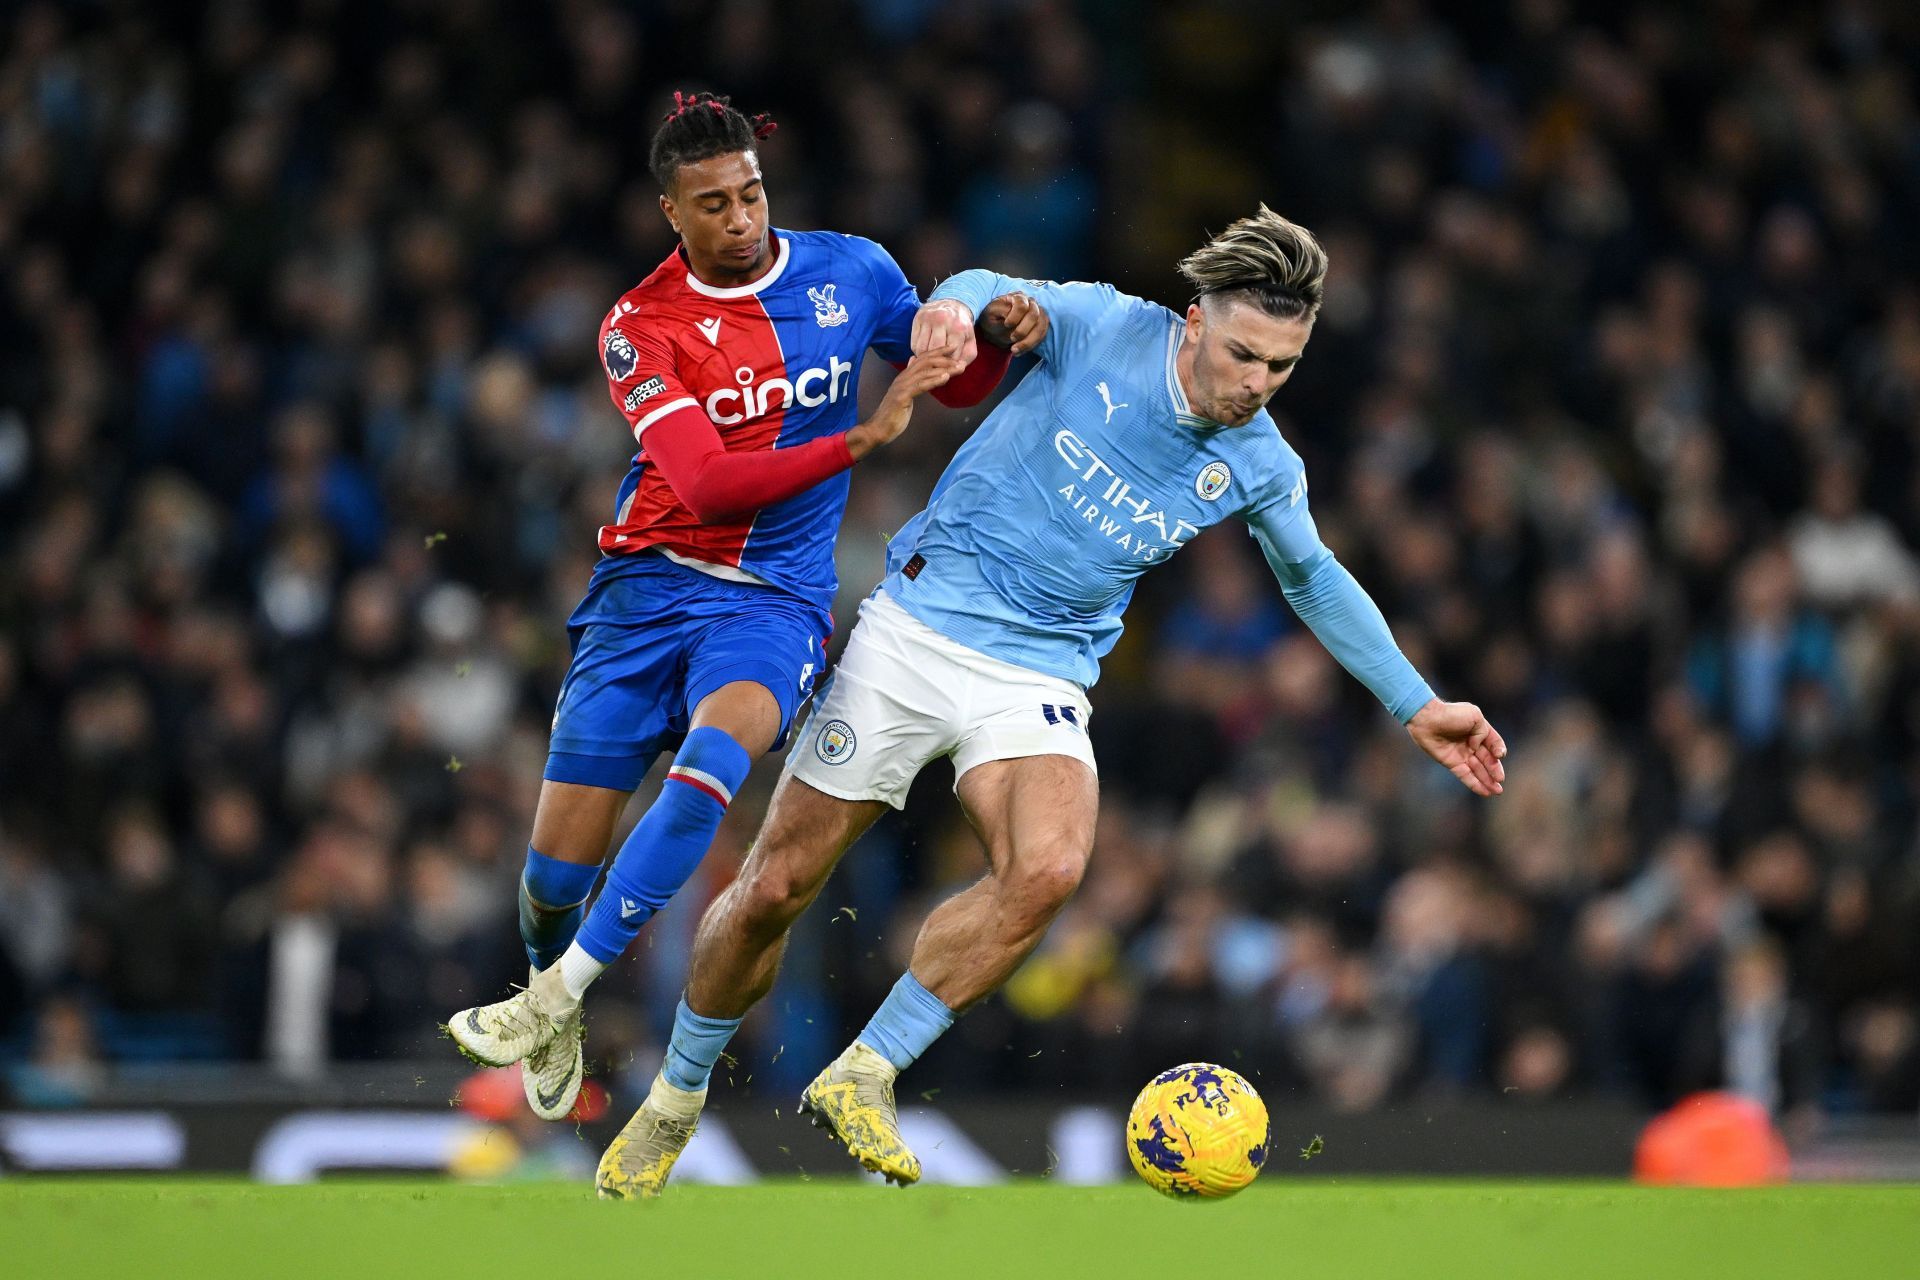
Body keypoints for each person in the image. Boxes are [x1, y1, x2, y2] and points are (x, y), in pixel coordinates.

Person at [621, 205, 1508, 1195]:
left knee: (1048, 866)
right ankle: (676, 1090)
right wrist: (952, 322)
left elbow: (1313, 576)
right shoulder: (1099, 322)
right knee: (776, 888)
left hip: (1041, 670)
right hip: (921, 621)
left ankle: (865, 1070)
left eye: (1281, 367)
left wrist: (1415, 701)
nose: (1256, 383)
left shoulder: (1260, 461)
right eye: (1245, 354)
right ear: (1192, 322)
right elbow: (976, 289)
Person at [441, 92, 1035, 1157]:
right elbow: (708, 482)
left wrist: (992, 344)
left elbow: (950, 384)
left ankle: (559, 992)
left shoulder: (852, 270)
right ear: (671, 210)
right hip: (642, 595)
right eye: (712, 203)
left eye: (752, 192)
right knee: (548, 886)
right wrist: (864, 438)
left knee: (713, 765)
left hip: (773, 604)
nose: (741, 217)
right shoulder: (638, 326)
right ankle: (548, 979)